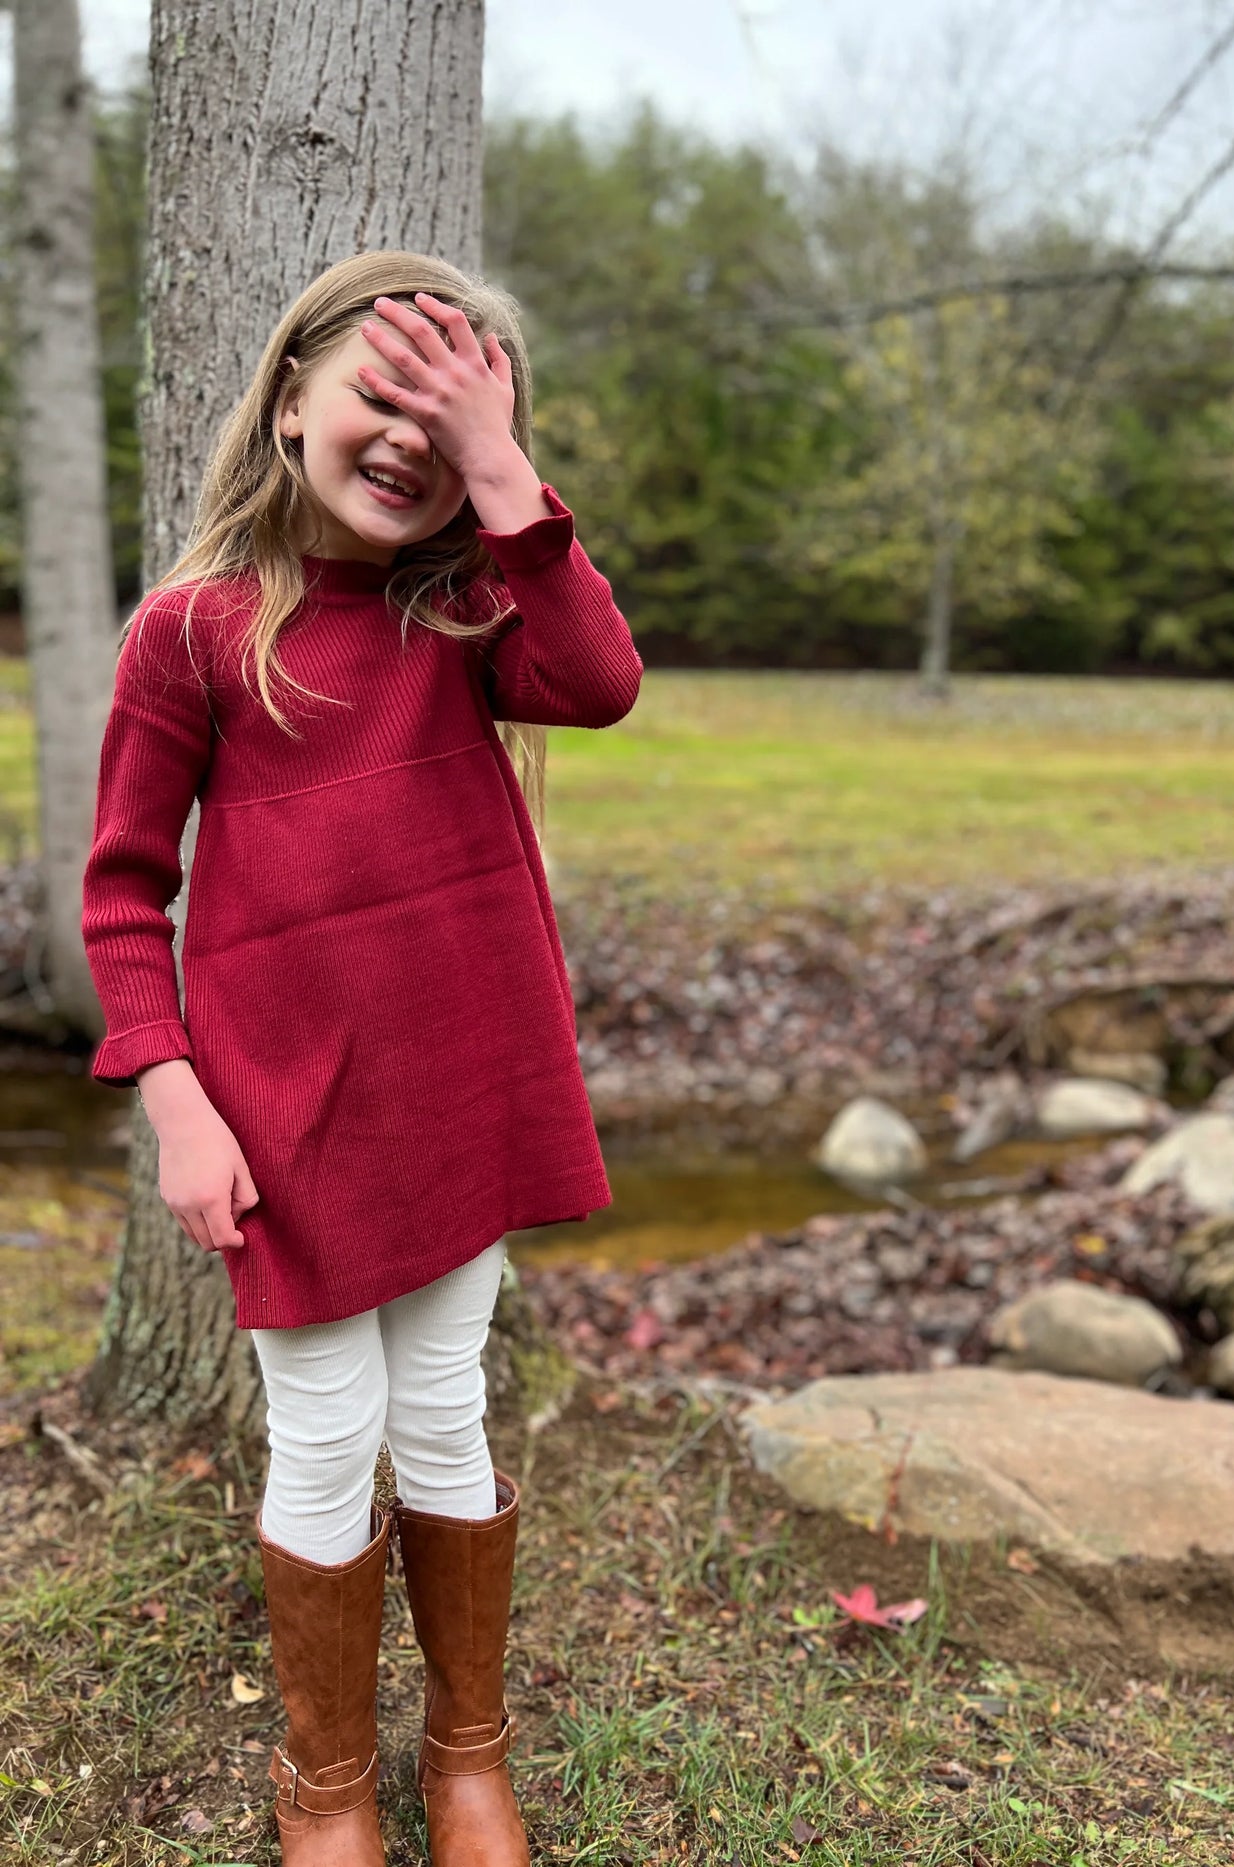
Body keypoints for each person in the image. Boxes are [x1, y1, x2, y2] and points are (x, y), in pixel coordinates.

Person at [80, 249, 644, 1867]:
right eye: (383, 399)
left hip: (462, 1094)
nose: (409, 440)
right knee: (326, 1431)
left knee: (449, 1410)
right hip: (287, 1117)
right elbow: (124, 895)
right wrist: (176, 1100)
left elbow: (602, 682)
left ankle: (468, 1757)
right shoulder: (192, 636)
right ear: (288, 403)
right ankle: (327, 1786)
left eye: (451, 420)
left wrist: (505, 473)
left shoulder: (474, 614)